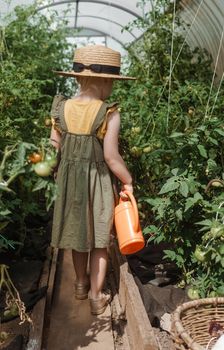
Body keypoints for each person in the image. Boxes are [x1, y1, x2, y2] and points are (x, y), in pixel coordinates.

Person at [49, 45, 135, 315]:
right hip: (97, 184)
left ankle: (80, 283)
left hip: (69, 182)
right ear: (106, 81)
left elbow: (54, 146)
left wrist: (55, 172)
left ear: (77, 78)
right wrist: (128, 180)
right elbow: (111, 157)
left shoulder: (60, 108)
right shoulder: (109, 113)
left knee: (78, 236)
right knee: (99, 240)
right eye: (112, 82)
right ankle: (97, 298)